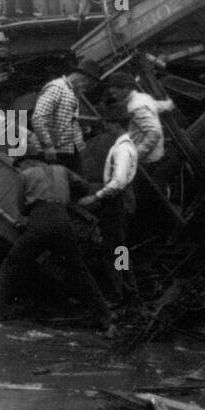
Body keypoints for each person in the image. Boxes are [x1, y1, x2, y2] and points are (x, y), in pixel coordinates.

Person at [0, 144, 113, 334]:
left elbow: (22, 208)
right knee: (79, 270)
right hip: (63, 221)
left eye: (20, 164)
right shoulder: (62, 170)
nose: (20, 168)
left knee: (11, 264)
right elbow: (84, 186)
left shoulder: (25, 175)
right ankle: (106, 317)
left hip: (39, 221)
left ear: (27, 161)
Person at [79, 104, 140, 305]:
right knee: (120, 248)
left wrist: (95, 197)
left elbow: (118, 182)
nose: (105, 128)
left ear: (115, 124)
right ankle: (128, 289)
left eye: (107, 124)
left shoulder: (122, 149)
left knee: (113, 249)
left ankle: (117, 294)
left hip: (117, 201)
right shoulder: (125, 144)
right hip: (122, 201)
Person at [31, 58, 101, 172]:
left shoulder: (72, 93)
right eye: (89, 85)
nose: (87, 89)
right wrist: (48, 146)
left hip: (67, 151)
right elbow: (38, 118)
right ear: (85, 79)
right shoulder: (57, 88)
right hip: (55, 152)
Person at [106, 70, 176, 177]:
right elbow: (157, 106)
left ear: (125, 88)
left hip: (149, 160)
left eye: (115, 93)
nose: (113, 96)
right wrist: (170, 104)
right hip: (152, 155)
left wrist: (135, 157)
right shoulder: (143, 97)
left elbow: (154, 132)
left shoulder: (135, 106)